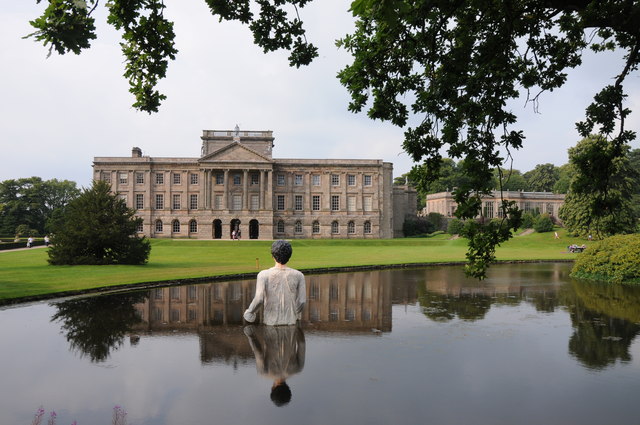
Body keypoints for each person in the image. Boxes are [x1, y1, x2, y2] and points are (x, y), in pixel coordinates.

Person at [244, 240, 306, 326]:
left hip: (271, 322)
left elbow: (259, 299)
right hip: (290, 322)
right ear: (289, 256)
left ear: (272, 256)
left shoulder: (263, 275)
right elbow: (302, 301)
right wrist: (295, 312)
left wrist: (250, 312)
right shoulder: (299, 275)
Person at [244, 324, 305, 407]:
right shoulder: (263, 372)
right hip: (270, 329)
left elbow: (301, 344)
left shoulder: (298, 369)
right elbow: (258, 353)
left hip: (290, 327)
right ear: (272, 389)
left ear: (288, 389)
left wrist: (297, 327)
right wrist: (250, 335)